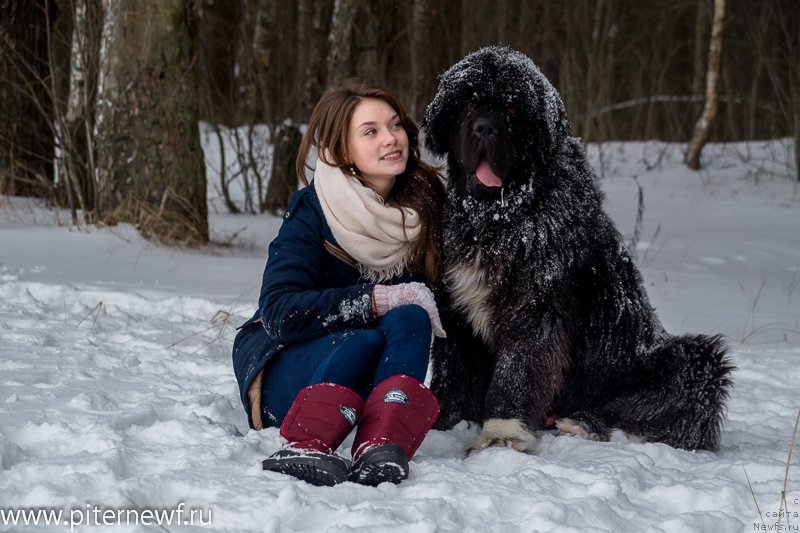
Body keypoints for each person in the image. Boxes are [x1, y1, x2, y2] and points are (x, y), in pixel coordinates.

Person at [231, 80, 447, 487]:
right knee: (361, 338)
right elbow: (279, 313)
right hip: (289, 373)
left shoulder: (424, 206)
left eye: (395, 125)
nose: (391, 139)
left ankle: (382, 443)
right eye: (371, 131)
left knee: (414, 316)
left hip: (370, 380)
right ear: (339, 150)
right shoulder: (313, 211)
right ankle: (306, 444)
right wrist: (374, 300)